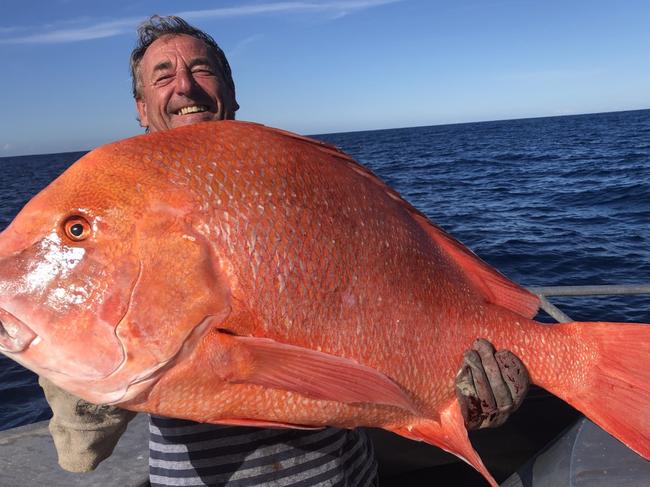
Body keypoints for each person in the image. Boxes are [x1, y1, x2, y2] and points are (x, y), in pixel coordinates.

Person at [39, 15, 529, 487]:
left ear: (229, 93)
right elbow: (80, 449)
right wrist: (69, 331)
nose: (184, 86)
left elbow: (382, 329)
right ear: (142, 108)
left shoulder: (299, 181)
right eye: (162, 76)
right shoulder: (120, 213)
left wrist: (468, 397)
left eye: (201, 69)